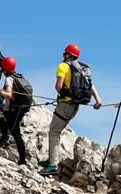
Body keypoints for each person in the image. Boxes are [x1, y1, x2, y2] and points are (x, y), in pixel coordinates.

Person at [40, 44, 102, 175]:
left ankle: (53, 165)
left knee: (54, 131)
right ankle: (52, 158)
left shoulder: (63, 66)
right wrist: (98, 100)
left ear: (67, 54)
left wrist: (64, 94)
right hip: (75, 106)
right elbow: (90, 85)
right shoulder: (82, 69)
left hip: (65, 105)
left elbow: (58, 86)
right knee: (58, 130)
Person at [0, 56, 31, 165]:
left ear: (4, 68)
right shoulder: (20, 77)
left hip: (13, 110)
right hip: (20, 109)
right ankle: (5, 136)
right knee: (0, 114)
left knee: (16, 133)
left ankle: (22, 159)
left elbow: (8, 95)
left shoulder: (9, 79)